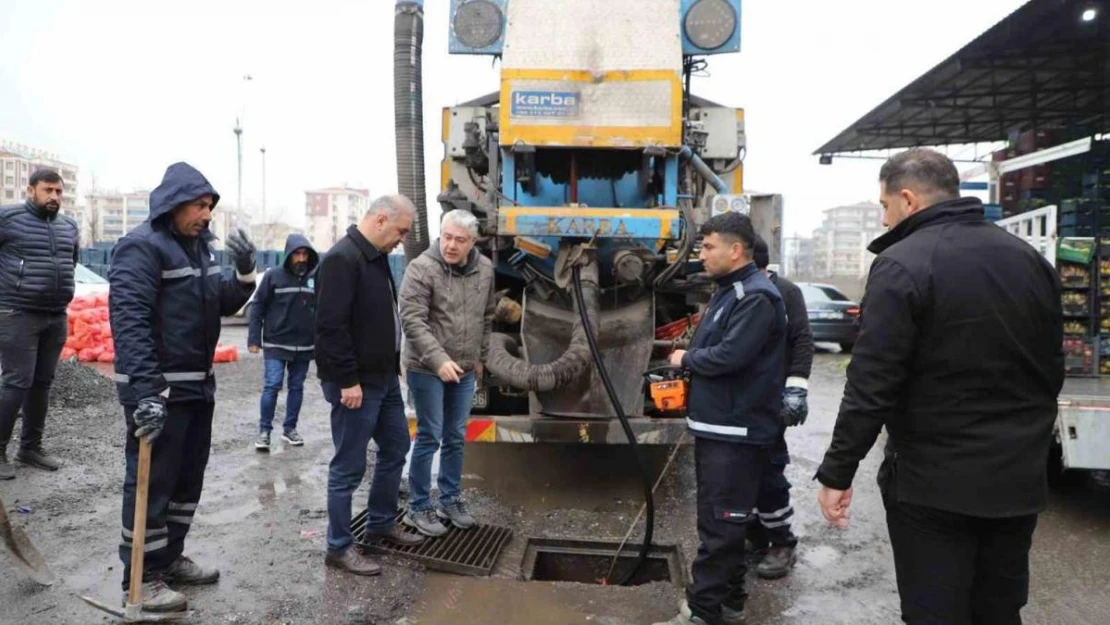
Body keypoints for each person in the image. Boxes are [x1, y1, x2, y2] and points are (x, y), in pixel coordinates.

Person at [815, 149, 1064, 625]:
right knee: (999, 610)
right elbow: (1050, 370)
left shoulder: (902, 263)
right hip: (1016, 481)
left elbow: (871, 384)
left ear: (907, 199)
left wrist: (837, 473)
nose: (884, 219)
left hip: (933, 486)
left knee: (936, 612)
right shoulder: (1030, 260)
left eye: (884, 207)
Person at [109, 162, 258, 612]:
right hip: (160, 391)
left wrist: (246, 272)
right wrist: (145, 391)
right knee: (153, 483)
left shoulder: (201, 251)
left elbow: (223, 304)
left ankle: (169, 559)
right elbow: (130, 322)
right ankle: (141, 577)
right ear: (173, 204)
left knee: (186, 481)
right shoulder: (141, 248)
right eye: (199, 205)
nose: (207, 214)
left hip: (197, 388)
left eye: (210, 206)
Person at [654, 211, 787, 625]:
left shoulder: (755, 296)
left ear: (735, 250)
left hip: (737, 432)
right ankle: (729, 603)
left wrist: (685, 358)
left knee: (721, 527)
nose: (702, 254)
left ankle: (702, 612)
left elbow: (732, 356)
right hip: (721, 428)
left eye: (709, 247)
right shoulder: (730, 292)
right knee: (722, 521)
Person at [315, 194, 425, 577]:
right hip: (356, 384)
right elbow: (330, 328)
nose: (402, 239)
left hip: (384, 379)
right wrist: (347, 380)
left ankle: (380, 522)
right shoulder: (341, 260)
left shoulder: (375, 259)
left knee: (397, 446)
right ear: (381, 219)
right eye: (401, 231)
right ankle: (338, 547)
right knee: (348, 466)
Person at [399, 209, 495, 537]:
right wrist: (438, 360)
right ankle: (418, 507)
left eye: (460, 240)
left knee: (456, 436)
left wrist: (479, 358)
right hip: (427, 368)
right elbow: (412, 319)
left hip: (465, 369)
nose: (451, 245)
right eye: (447, 237)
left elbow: (488, 315)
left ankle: (450, 499)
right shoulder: (421, 268)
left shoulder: (484, 269)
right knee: (430, 435)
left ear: (473, 242)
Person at [0, 169, 79, 479]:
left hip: (55, 315)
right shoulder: (7, 218)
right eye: (48, 190)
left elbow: (69, 263)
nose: (55, 197)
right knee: (16, 382)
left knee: (42, 383)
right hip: (17, 313)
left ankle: (30, 447)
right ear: (30, 190)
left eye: (59, 192)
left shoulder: (68, 226)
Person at [746, 235, 813, 580]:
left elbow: (801, 339)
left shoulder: (785, 292)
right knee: (742, 471)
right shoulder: (736, 291)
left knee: (768, 472)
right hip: (741, 402)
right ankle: (756, 534)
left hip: (771, 402)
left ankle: (781, 542)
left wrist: (796, 388)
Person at [248, 234, 319, 451]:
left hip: (304, 345)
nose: (301, 258)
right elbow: (257, 307)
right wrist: (254, 339)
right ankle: (264, 432)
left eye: (305, 254)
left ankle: (290, 429)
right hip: (276, 343)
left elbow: (322, 310)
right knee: (272, 385)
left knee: (296, 387)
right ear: (288, 255)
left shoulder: (314, 279)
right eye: (297, 254)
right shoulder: (273, 277)